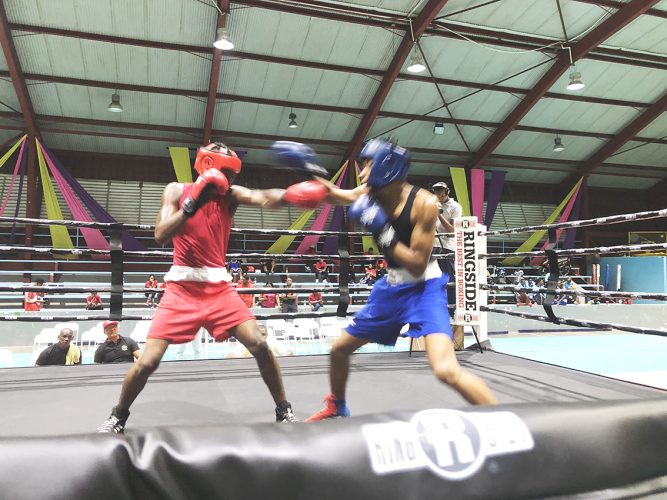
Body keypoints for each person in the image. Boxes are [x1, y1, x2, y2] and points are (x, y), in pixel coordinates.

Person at [98, 142, 329, 433]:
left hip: (219, 289)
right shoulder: (175, 191)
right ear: (207, 166)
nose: (230, 180)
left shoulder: (230, 196)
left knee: (259, 343)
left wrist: (294, 195)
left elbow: (262, 198)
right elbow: (160, 234)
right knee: (147, 361)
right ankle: (118, 416)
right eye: (226, 172)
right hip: (180, 289)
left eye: (233, 175)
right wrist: (191, 203)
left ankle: (284, 410)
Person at [271, 140, 498, 421]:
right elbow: (333, 195)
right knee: (339, 350)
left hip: (424, 288)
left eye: (367, 164)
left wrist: (382, 230)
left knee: (446, 370)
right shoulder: (369, 193)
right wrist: (310, 170)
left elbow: (416, 264)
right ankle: (337, 405)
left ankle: (507, 422)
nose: (362, 172)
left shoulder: (424, 204)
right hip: (391, 288)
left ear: (387, 166)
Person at [431, 181, 461, 315]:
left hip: (447, 246)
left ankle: (451, 308)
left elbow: (452, 230)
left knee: (449, 278)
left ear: (447, 193)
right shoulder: (431, 204)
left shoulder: (455, 207)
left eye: (441, 195)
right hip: (432, 244)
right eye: (437, 195)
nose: (439, 197)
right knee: (430, 277)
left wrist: (439, 214)